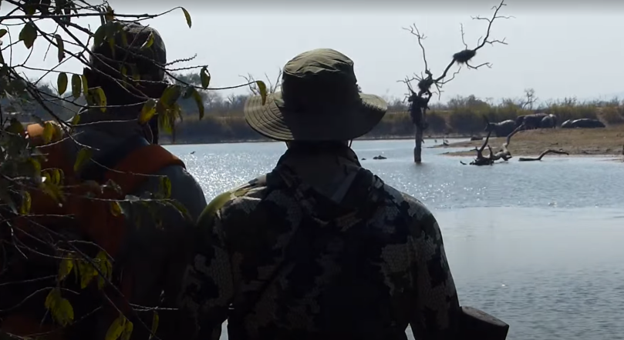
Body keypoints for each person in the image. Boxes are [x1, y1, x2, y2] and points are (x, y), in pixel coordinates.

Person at [174, 48, 463, 340]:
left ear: (286, 127)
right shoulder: (412, 221)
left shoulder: (231, 217)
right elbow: (444, 329)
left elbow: (191, 328)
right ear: (351, 126)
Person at [0, 22, 206, 339]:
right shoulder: (177, 189)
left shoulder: (21, 154)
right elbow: (191, 318)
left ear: (88, 80)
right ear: (160, 95)